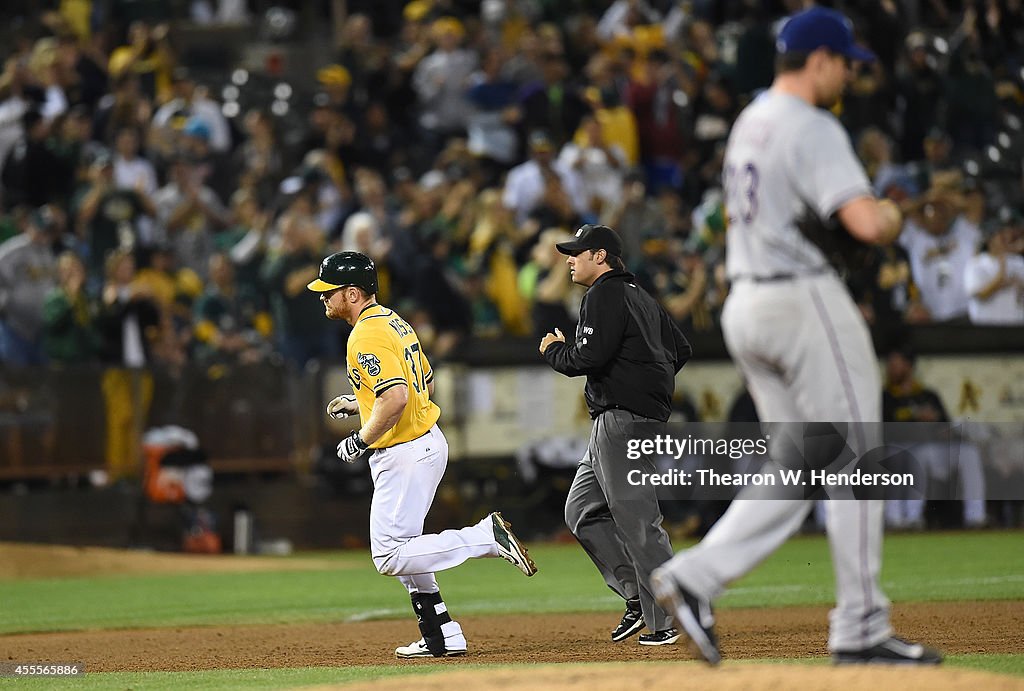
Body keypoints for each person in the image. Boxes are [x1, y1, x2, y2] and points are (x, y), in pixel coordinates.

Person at [649, 7, 943, 666]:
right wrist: (893, 214)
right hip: (801, 301)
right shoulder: (811, 124)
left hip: (747, 303)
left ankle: (693, 578)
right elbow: (866, 223)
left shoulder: (751, 119)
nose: (848, 74)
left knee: (798, 466)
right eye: (844, 62)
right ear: (818, 60)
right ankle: (862, 623)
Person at [307, 251, 537, 660]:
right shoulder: (393, 320)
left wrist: (360, 437)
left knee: (391, 554)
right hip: (422, 443)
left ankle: (484, 537)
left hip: (405, 451)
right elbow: (422, 382)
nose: (323, 298)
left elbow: (396, 397)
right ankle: (441, 633)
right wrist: (360, 402)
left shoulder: (366, 334)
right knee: (408, 548)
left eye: (330, 291)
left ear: (353, 293)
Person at [538, 223, 692, 646]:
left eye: (578, 253)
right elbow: (680, 351)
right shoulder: (640, 296)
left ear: (600, 257)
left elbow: (587, 356)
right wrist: (648, 382)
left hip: (623, 420)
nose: (570, 259)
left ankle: (670, 616)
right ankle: (639, 600)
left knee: (638, 521)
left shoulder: (603, 293)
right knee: (582, 511)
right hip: (622, 419)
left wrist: (553, 349)